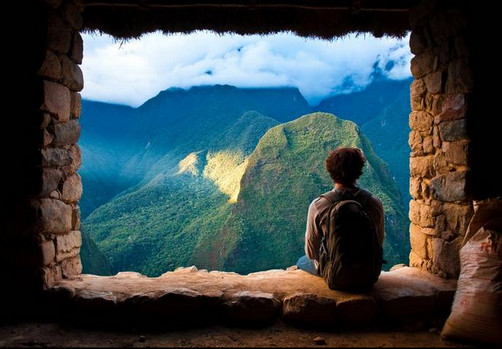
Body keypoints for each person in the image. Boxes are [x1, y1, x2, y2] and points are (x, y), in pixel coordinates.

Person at [296, 146, 385, 275]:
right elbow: (379, 241)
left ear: (330, 171)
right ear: (359, 170)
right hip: (368, 274)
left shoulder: (318, 205)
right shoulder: (374, 203)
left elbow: (311, 252)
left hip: (335, 275)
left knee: (302, 261)